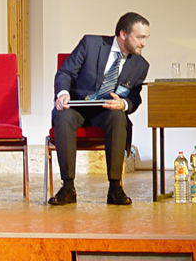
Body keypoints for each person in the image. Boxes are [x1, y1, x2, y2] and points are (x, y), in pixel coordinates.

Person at [50, 12, 150, 206]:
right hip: (78, 105)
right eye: (140, 37)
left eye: (146, 38)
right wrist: (63, 93)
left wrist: (124, 104)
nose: (143, 43)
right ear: (123, 34)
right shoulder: (91, 44)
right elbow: (65, 72)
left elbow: (134, 97)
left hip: (106, 110)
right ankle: (68, 187)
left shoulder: (140, 65)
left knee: (118, 117)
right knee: (63, 117)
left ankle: (115, 188)